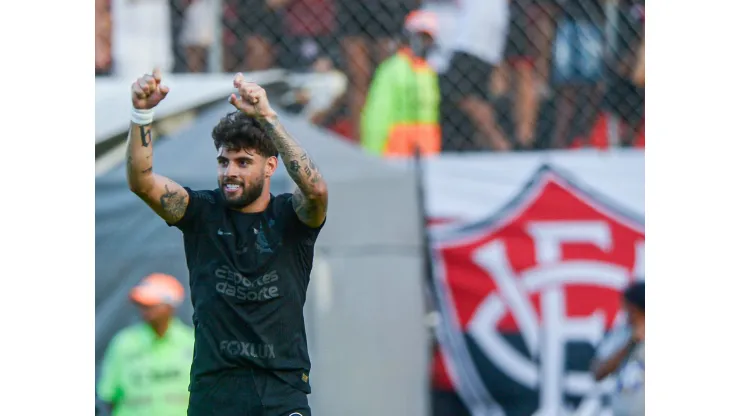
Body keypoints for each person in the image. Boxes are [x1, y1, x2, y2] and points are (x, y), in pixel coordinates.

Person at [125, 68, 329, 416]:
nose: (230, 172)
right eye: (223, 161)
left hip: (281, 392)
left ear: (270, 167)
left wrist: (267, 117)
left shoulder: (290, 217)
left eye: (243, 162)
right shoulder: (200, 212)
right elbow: (141, 181)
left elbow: (315, 190)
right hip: (215, 392)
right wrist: (141, 112)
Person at [97, 273, 194, 416]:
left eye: (151, 304)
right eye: (142, 305)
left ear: (169, 306)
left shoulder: (192, 342)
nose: (145, 310)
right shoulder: (124, 343)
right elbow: (109, 395)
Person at [360, 9, 441, 157]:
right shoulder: (392, 69)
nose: (424, 43)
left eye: (428, 38)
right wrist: (372, 153)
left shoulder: (429, 72)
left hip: (426, 151)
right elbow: (378, 114)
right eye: (420, 37)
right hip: (395, 151)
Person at [591, 280, 645, 416]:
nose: (625, 311)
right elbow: (598, 372)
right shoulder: (621, 334)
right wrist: (630, 344)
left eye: (628, 307)